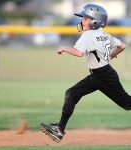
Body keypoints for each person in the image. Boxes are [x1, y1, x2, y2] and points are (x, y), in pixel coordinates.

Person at [40, 3, 131, 143]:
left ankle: (59, 129)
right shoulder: (104, 34)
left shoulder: (88, 35)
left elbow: (78, 53)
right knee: (71, 93)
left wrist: (64, 48)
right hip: (100, 75)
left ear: (95, 21)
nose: (82, 21)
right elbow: (122, 46)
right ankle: (59, 129)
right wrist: (111, 56)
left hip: (105, 77)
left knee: (127, 104)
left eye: (86, 18)